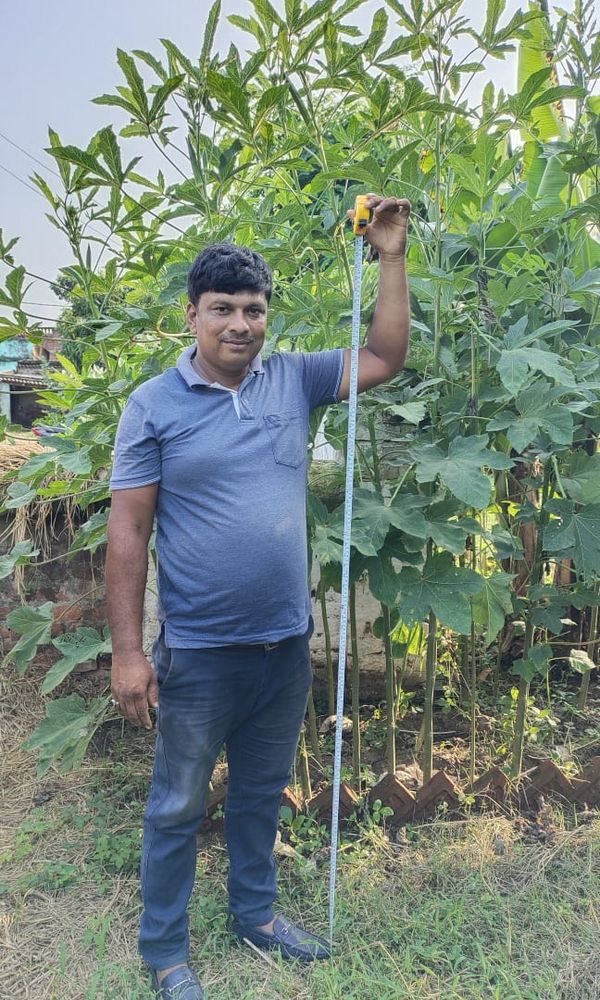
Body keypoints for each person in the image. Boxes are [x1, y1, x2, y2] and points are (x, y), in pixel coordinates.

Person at [107, 194, 411, 1000]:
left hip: (285, 644)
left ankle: (257, 914)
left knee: (258, 794)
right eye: (224, 310)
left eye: (254, 309)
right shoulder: (153, 406)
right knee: (176, 806)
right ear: (193, 315)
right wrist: (130, 653)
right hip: (201, 652)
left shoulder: (295, 379)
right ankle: (166, 952)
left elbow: (385, 357)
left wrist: (389, 257)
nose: (241, 324)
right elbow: (129, 533)